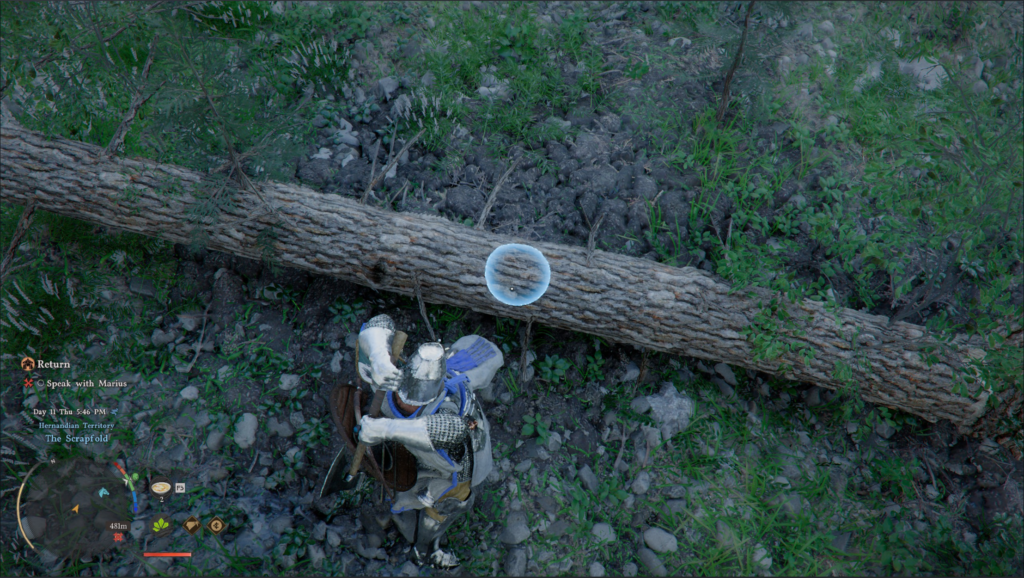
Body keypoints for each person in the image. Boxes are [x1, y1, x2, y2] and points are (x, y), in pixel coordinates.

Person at [355, 314, 502, 569]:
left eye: (412, 401)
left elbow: (451, 430)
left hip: (454, 466)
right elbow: (378, 323)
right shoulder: (393, 380)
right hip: (409, 450)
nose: (404, 402)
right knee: (399, 482)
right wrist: (378, 357)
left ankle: (424, 549)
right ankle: (397, 509)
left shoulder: (447, 410)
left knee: (450, 502)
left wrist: (385, 427)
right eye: (402, 398)